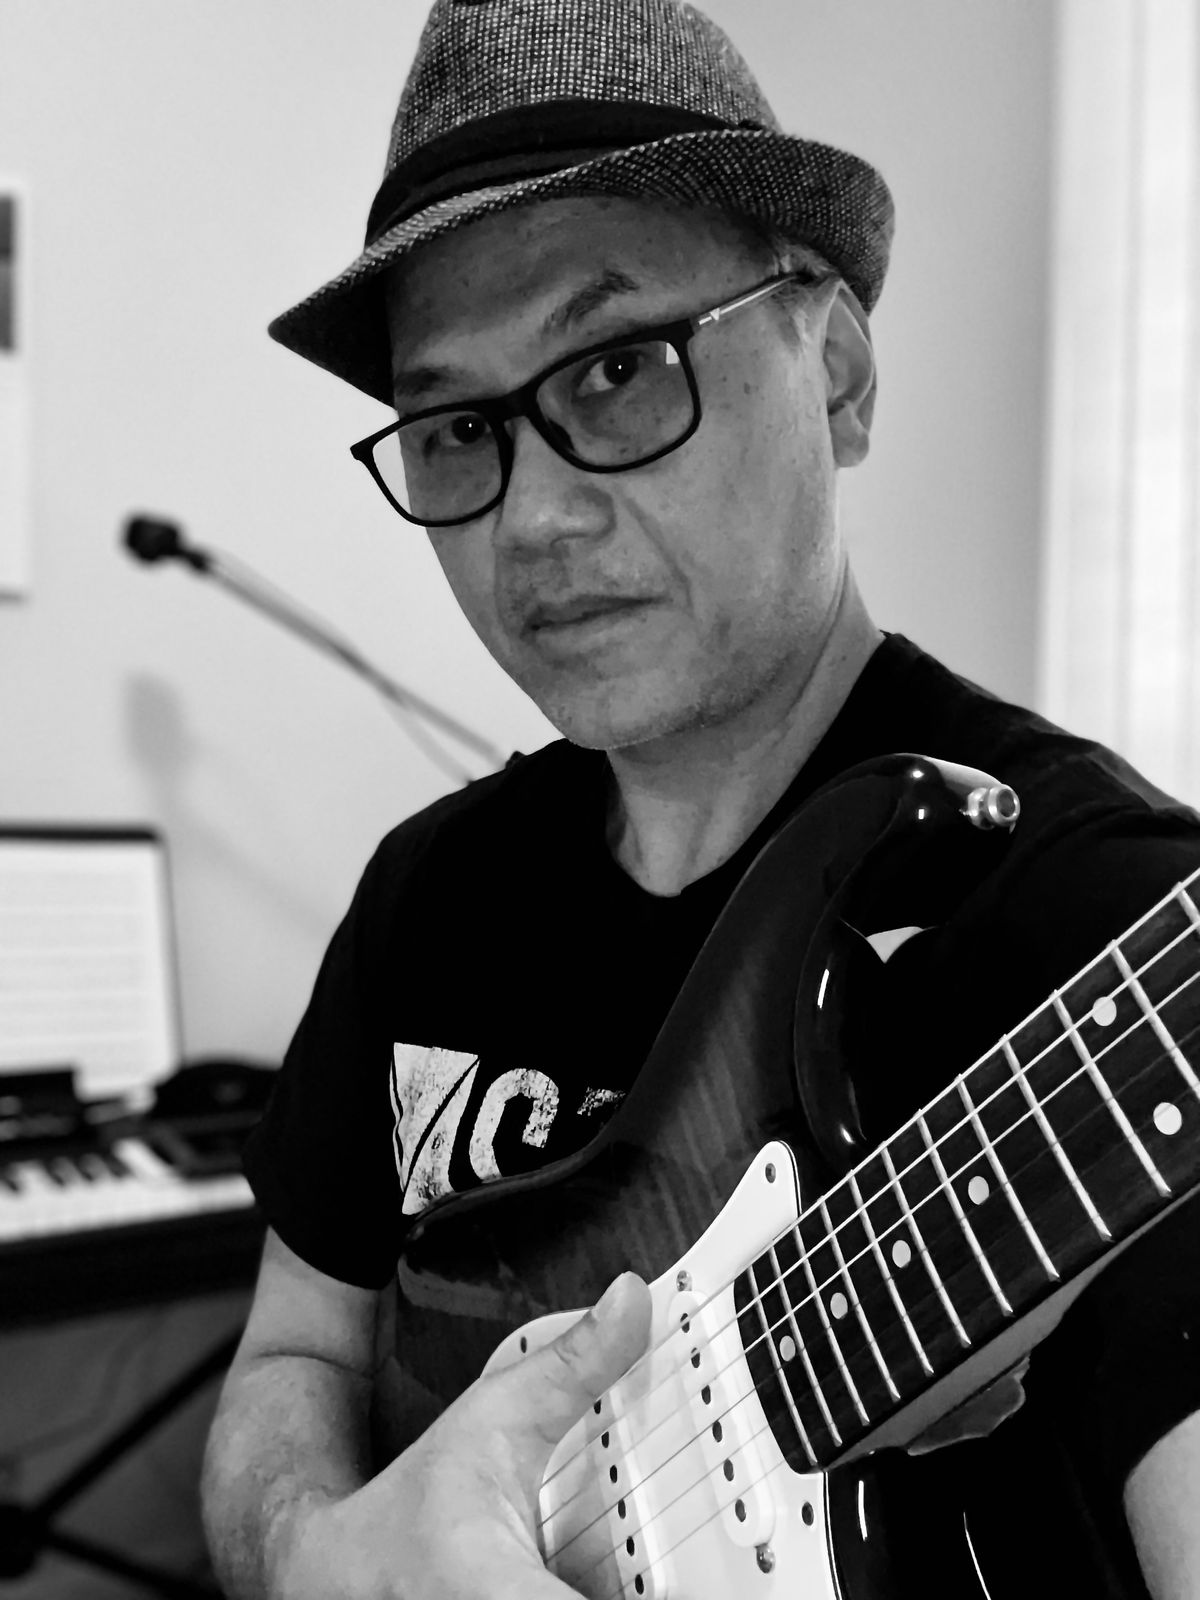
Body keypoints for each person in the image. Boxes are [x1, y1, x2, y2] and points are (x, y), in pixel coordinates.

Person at [200, 2, 1200, 1596]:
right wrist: (318, 1552)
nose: (532, 518)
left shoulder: (1097, 928)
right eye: (458, 428)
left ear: (840, 377)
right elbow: (296, 1357)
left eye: (616, 368)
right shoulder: (428, 894)